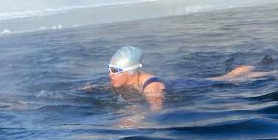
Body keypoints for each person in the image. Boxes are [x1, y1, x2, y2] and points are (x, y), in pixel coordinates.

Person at [107, 46, 265, 109]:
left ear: (129, 72)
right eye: (109, 69)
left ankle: (271, 72)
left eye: (115, 70)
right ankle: (247, 68)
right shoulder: (129, 80)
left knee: (225, 80)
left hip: (190, 85)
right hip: (177, 82)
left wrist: (135, 118)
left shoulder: (152, 87)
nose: (110, 74)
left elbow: (156, 109)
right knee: (224, 77)